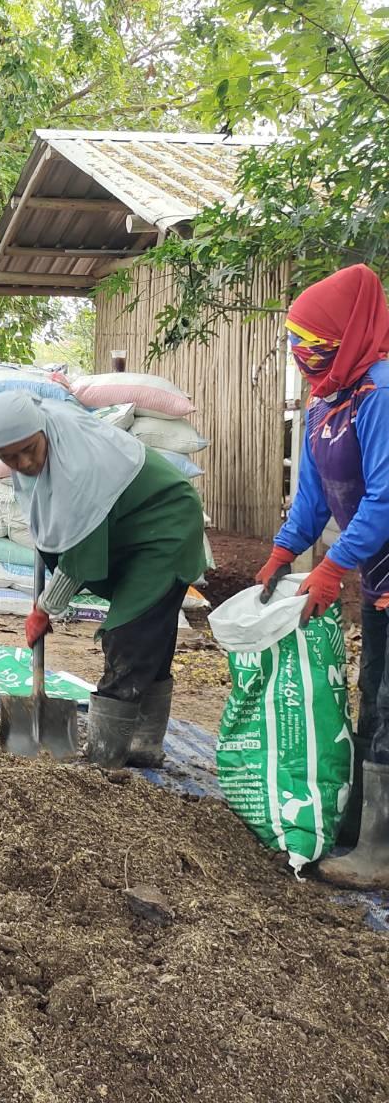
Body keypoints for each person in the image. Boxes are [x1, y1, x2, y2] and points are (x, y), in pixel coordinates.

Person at [0, 391, 206, 768]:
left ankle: (104, 758)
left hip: (165, 524)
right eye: (10, 457)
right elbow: (50, 516)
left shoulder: (77, 469)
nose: (25, 462)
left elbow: (80, 557)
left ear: (41, 431)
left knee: (130, 633)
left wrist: (44, 609)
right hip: (128, 526)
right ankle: (143, 745)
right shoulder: (43, 435)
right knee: (151, 635)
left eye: (30, 449)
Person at [254, 264, 389, 890]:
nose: (303, 357)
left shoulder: (381, 394)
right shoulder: (327, 402)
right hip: (379, 572)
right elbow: (312, 496)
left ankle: (378, 851)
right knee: (372, 691)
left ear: (349, 335)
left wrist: (333, 565)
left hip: (375, 559)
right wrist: (285, 551)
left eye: (315, 344)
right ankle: (361, 826)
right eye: (296, 343)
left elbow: (386, 498)